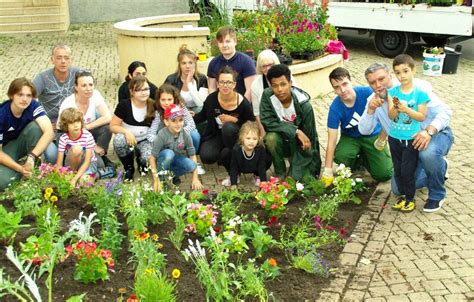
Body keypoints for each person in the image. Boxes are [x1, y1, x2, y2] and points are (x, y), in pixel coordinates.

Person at [360, 62, 451, 212]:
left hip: (435, 135)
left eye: (381, 79)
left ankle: (436, 194)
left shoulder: (415, 89)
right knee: (398, 189)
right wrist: (370, 109)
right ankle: (439, 168)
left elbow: (445, 112)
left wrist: (428, 131)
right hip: (406, 146)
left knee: (427, 153)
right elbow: (364, 130)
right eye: (372, 82)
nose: (378, 85)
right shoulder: (374, 100)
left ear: (391, 75)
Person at [322, 67, 392, 186]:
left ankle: (367, 158)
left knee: (384, 174)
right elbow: (331, 141)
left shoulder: (367, 93)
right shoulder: (335, 108)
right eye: (337, 87)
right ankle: (357, 162)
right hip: (350, 138)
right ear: (333, 89)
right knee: (342, 157)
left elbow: (386, 116)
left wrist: (382, 137)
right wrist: (328, 170)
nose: (342, 90)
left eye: (345, 84)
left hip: (372, 135)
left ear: (351, 81)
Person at [260, 64, 321, 180]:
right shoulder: (268, 96)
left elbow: (311, 140)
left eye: (283, 84)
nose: (280, 90)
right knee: (270, 138)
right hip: (282, 141)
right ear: (270, 86)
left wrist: (314, 168)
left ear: (290, 83)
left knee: (296, 179)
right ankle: (280, 172)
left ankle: (294, 168)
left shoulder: (304, 105)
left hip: (300, 146)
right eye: (275, 86)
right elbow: (267, 121)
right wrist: (296, 131)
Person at [386, 54, 429, 212]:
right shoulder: (392, 92)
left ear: (413, 70)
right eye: (397, 72)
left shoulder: (420, 94)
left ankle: (410, 198)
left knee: (407, 170)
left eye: (405, 71)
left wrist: (406, 109)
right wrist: (396, 108)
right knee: (397, 169)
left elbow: (421, 116)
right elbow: (390, 116)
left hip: (411, 139)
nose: (402, 76)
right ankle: (403, 196)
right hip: (394, 137)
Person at [194, 66, 255, 176]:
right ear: (217, 84)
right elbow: (202, 116)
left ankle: (231, 156)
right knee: (207, 157)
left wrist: (235, 120)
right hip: (216, 135)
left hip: (235, 136)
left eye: (228, 82)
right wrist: (186, 119)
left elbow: (252, 123)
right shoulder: (211, 99)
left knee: (228, 127)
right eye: (222, 82)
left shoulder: (242, 102)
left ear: (234, 84)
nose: (225, 85)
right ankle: (223, 153)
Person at [56, 70, 114, 176]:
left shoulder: (95, 95)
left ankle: (97, 156)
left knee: (107, 128)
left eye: (91, 85)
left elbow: (107, 117)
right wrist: (92, 146)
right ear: (76, 87)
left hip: (86, 133)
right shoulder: (68, 104)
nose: (88, 89)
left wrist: (87, 127)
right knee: (96, 163)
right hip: (69, 135)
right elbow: (65, 129)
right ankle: (90, 164)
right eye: (83, 85)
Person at [0, 78, 54, 191]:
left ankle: (33, 164)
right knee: (3, 182)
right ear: (11, 95)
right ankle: (23, 169)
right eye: (20, 94)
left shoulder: (33, 105)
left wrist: (32, 156)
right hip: (4, 150)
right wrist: (20, 169)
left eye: (28, 95)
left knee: (36, 128)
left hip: (22, 143)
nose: (25, 99)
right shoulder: (2, 114)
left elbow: (49, 132)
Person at [33, 44, 80, 163]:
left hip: (74, 123)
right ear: (52, 60)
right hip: (51, 126)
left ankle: (99, 154)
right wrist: (43, 122)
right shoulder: (42, 78)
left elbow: (89, 95)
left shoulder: (78, 74)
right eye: (59, 58)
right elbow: (30, 101)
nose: (63, 61)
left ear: (71, 60)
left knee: (103, 123)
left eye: (66, 58)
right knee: (53, 157)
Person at [147, 84, 205, 175]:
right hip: (166, 145)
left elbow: (192, 124)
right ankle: (163, 173)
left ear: (174, 99)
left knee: (195, 135)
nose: (166, 103)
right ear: (158, 100)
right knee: (168, 154)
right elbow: (151, 133)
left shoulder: (181, 108)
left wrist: (179, 133)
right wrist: (158, 140)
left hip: (180, 142)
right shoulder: (158, 113)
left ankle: (190, 160)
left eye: (169, 99)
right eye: (163, 100)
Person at [110, 75, 155, 181]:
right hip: (128, 139)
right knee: (119, 140)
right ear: (132, 92)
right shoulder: (124, 105)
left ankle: (141, 161)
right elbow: (112, 126)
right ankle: (129, 167)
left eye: (146, 89)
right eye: (139, 90)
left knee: (147, 157)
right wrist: (126, 132)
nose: (144, 92)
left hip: (146, 140)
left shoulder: (153, 105)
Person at [149, 104, 203, 192]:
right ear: (166, 122)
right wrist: (156, 180)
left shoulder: (185, 133)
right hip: (163, 159)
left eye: (180, 120)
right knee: (169, 154)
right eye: (173, 121)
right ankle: (162, 179)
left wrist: (195, 178)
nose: (178, 124)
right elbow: (152, 158)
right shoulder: (161, 134)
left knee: (191, 165)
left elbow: (192, 155)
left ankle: (172, 175)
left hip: (176, 158)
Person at [207, 26, 256, 101]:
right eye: (221, 42)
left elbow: (250, 90)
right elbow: (212, 88)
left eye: (228, 41)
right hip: (220, 106)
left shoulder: (246, 62)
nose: (224, 45)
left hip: (241, 106)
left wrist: (240, 107)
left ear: (235, 42)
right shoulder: (213, 63)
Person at [56, 108, 99, 188]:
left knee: (84, 183)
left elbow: (87, 162)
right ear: (65, 125)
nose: (76, 125)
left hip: (88, 164)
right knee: (65, 181)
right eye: (71, 123)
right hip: (71, 163)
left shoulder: (87, 136)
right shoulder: (64, 138)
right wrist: (59, 175)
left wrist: (75, 179)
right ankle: (73, 173)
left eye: (78, 122)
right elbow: (59, 163)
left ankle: (96, 175)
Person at [225, 121, 272, 188]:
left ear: (259, 139)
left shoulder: (260, 149)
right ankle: (236, 176)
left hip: (254, 167)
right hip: (241, 167)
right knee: (226, 153)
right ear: (242, 138)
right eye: (248, 138)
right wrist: (233, 184)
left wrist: (263, 181)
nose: (251, 142)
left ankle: (257, 176)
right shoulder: (237, 149)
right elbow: (234, 167)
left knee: (268, 158)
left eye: (254, 139)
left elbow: (261, 165)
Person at [164, 45, 208, 114]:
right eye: (184, 63)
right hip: (178, 112)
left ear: (195, 64)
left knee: (201, 108)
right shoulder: (171, 79)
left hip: (197, 112)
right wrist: (184, 112)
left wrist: (189, 83)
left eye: (190, 63)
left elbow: (200, 103)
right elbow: (166, 102)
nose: (187, 66)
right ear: (179, 65)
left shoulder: (202, 78)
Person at [251, 49, 281, 137]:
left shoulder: (287, 78)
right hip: (268, 123)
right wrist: (263, 133)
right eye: (264, 66)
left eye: (271, 65)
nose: (268, 68)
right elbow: (257, 113)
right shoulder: (256, 85)